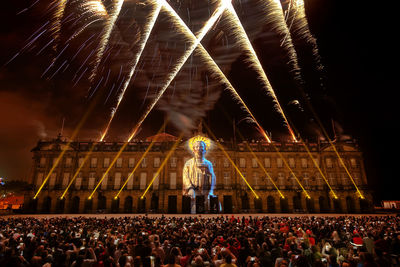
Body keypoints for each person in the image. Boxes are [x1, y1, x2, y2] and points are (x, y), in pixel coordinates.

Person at [182, 138, 216, 214]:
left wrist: (210, 191)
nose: (199, 149)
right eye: (197, 147)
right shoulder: (188, 163)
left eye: (201, 147)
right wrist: (190, 188)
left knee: (209, 208)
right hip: (193, 191)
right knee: (192, 210)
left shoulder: (208, 163)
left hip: (205, 191)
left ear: (204, 150)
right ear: (193, 150)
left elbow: (212, 176)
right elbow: (185, 176)